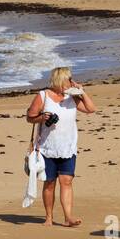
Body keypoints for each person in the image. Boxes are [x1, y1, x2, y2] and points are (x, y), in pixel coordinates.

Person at [26, 66, 96, 227]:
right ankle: (49, 217)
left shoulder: (72, 97)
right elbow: (30, 117)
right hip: (47, 147)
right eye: (68, 79)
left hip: (68, 146)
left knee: (67, 181)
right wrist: (42, 118)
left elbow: (91, 109)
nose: (71, 82)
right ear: (59, 79)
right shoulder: (43, 96)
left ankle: (68, 217)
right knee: (49, 183)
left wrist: (82, 91)